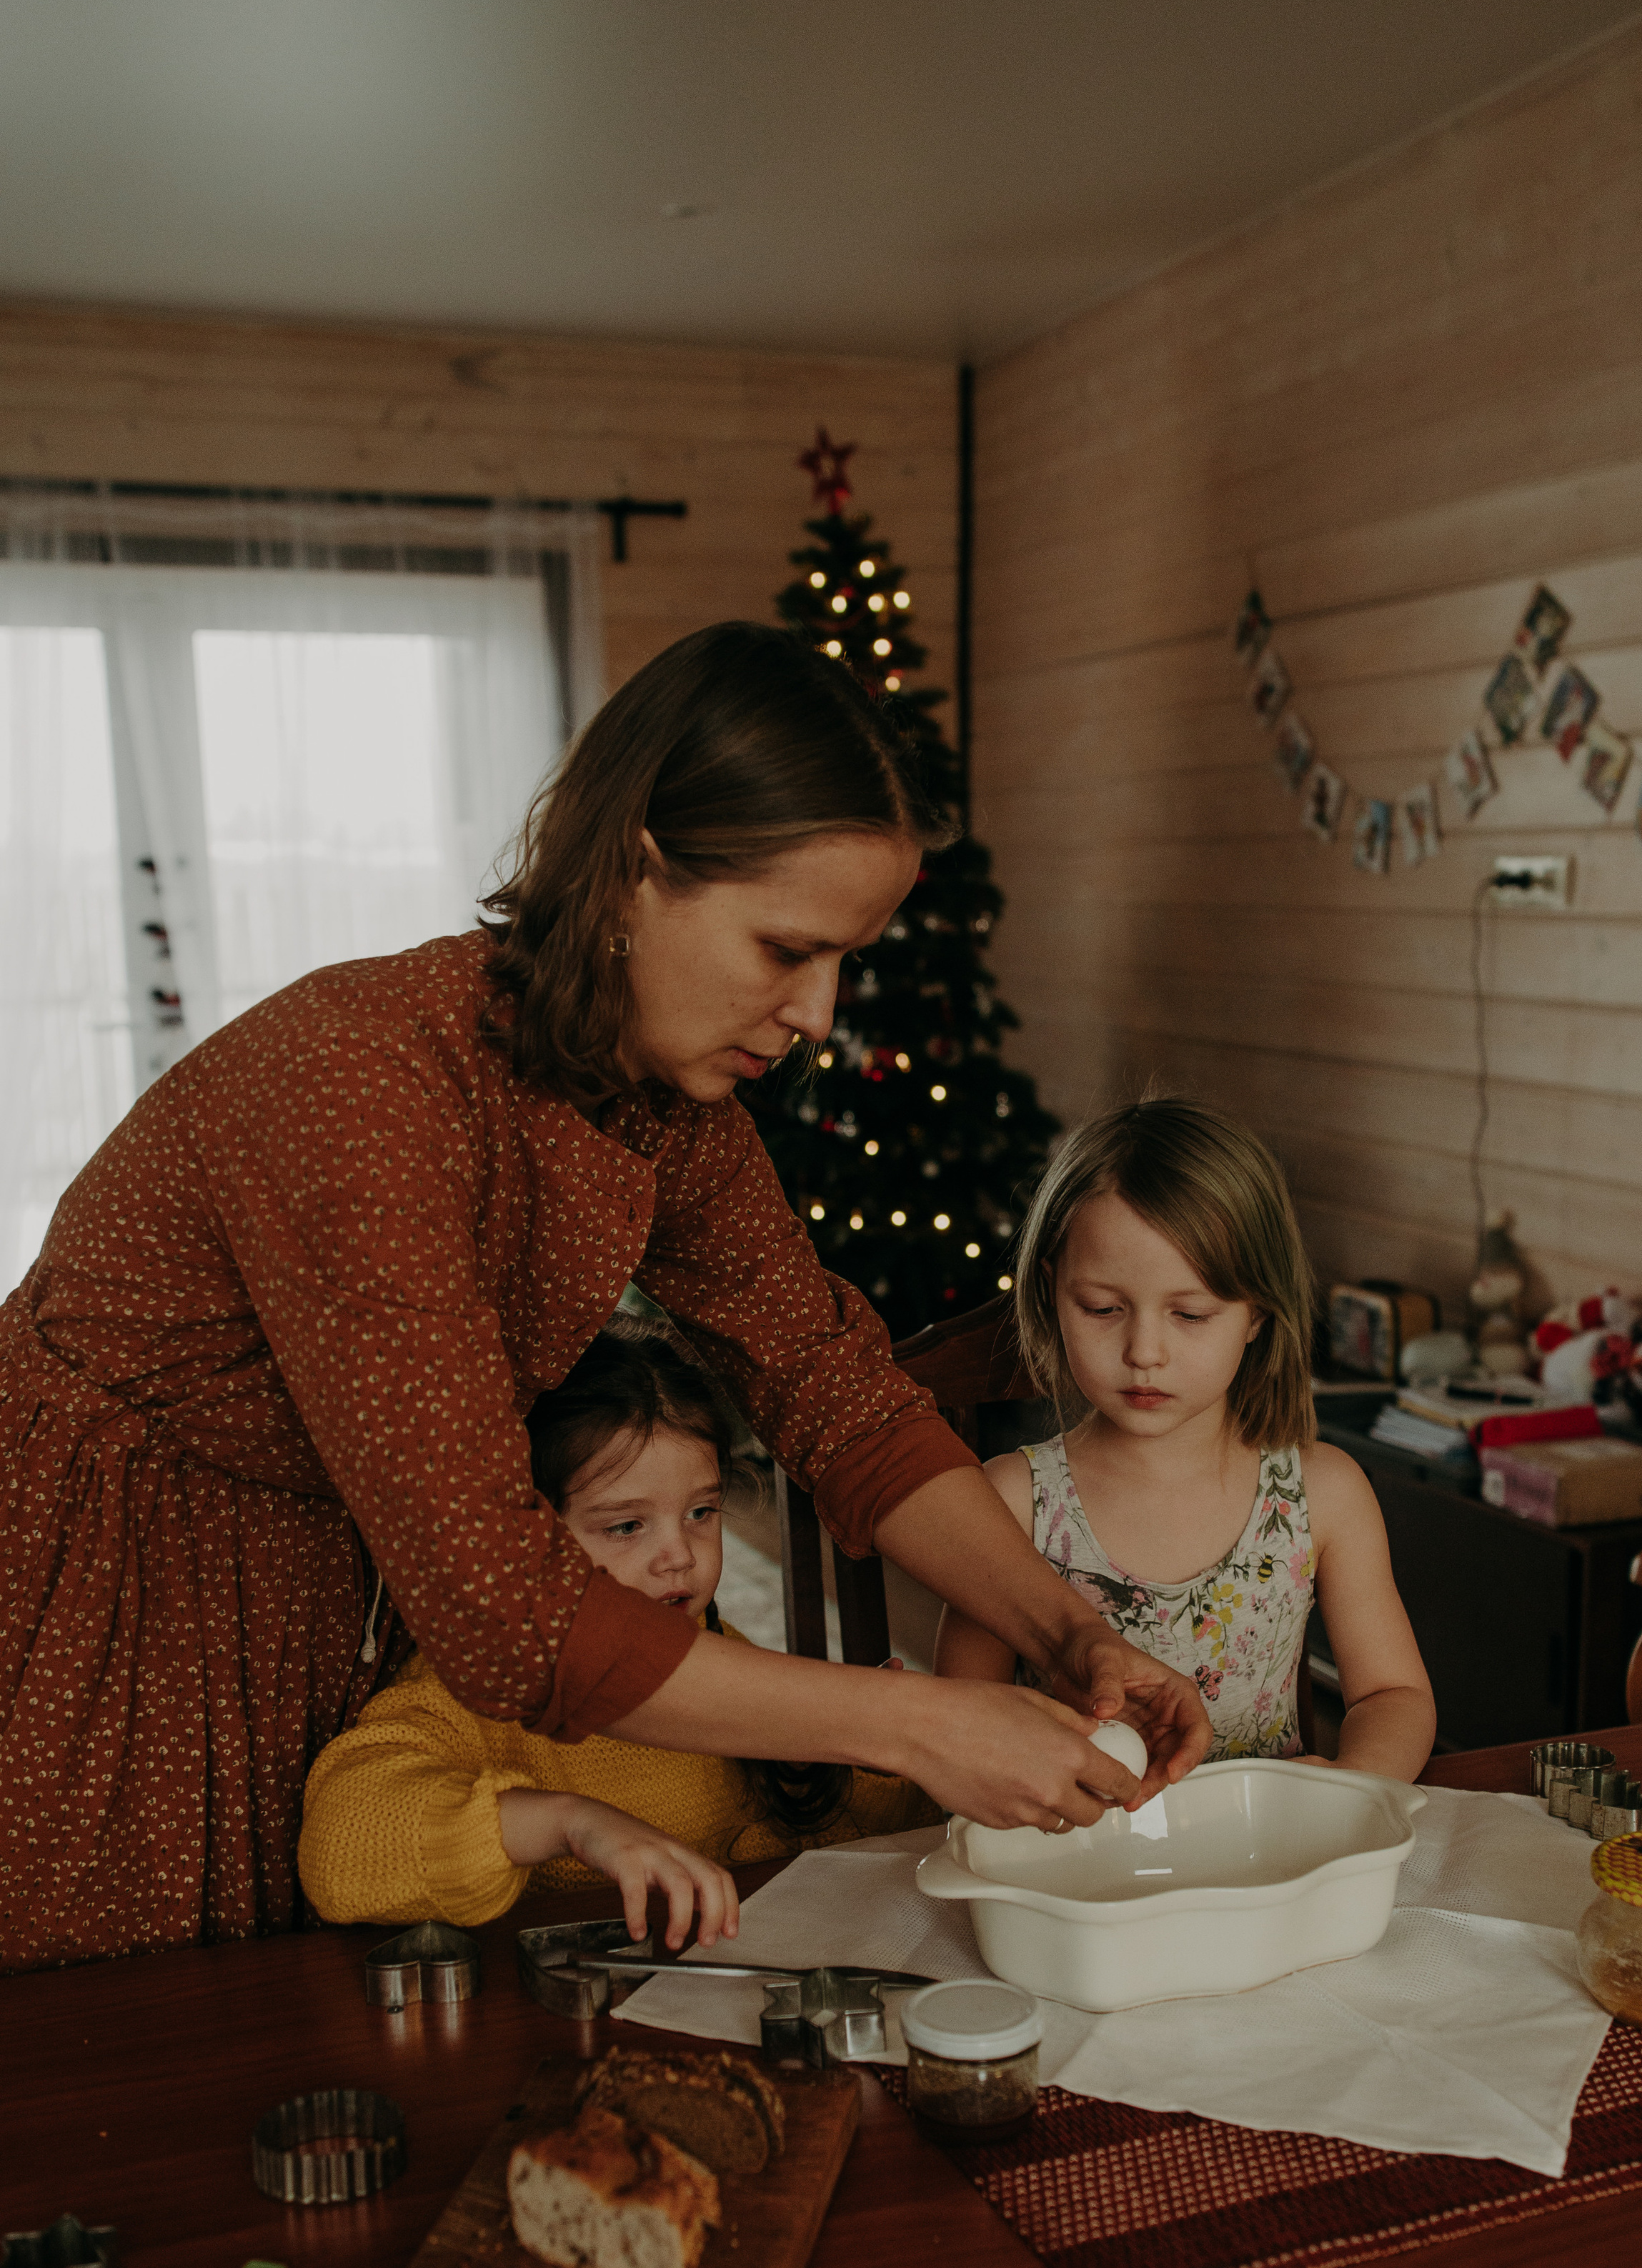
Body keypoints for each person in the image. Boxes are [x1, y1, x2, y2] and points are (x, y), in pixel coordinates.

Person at [1, 621, 1210, 1971]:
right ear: (635, 869)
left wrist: (1070, 1633)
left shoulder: (660, 1102)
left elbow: (832, 1388)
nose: (820, 1012)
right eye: (785, 947)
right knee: (119, 2067)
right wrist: (915, 1723)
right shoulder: (364, 1091)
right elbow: (506, 1604)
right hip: (110, 1610)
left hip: (321, 1596)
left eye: (846, 960)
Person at [300, 1324, 927, 1949]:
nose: (680, 1555)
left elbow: (848, 1846)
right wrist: (569, 1822)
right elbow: (339, 1849)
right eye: (627, 1525)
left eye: (701, 1513)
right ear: (522, 1537)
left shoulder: (723, 1657)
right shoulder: (477, 1692)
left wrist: (864, 1762)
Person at [933, 1098, 1435, 1779]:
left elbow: (1392, 1695)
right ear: (1053, 1292)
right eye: (1103, 1308)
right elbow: (965, 1728)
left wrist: (1345, 1793)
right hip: (1076, 1866)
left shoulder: (1325, 1492)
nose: (1145, 1350)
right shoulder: (1011, 1504)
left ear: (1257, 1312)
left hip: (1265, 1864)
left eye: (1191, 1313)